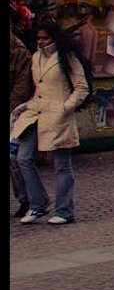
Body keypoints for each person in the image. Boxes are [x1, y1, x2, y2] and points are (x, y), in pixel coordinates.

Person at [9, 20, 89, 225]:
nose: (41, 42)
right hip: (36, 112)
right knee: (22, 157)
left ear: (54, 38)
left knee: (61, 164)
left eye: (45, 38)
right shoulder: (35, 57)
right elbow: (38, 87)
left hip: (58, 114)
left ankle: (64, 210)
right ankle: (38, 203)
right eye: (39, 38)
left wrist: (65, 107)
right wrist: (26, 106)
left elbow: (82, 87)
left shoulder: (66, 56)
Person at [10, 25, 34, 218]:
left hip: (14, 112)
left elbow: (22, 87)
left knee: (14, 159)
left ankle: (25, 199)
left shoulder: (20, 52)